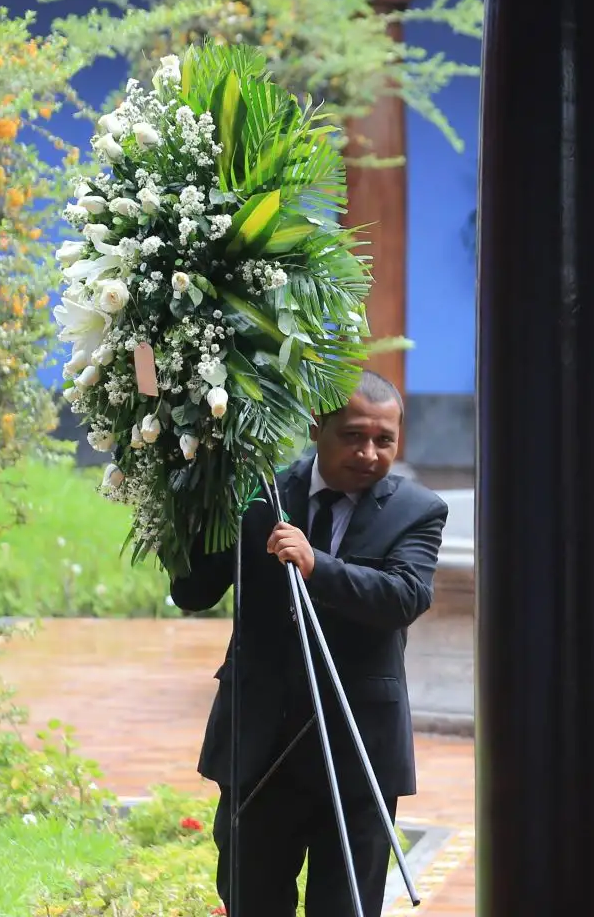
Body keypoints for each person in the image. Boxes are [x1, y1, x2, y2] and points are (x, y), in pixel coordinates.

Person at [171, 371, 448, 917]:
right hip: (260, 747)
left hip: (357, 750)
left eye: (384, 440)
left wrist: (317, 565)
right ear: (318, 427)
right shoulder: (259, 492)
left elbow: (404, 596)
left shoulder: (417, 510)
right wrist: (182, 504)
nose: (369, 453)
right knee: (251, 901)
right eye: (353, 436)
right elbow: (194, 592)